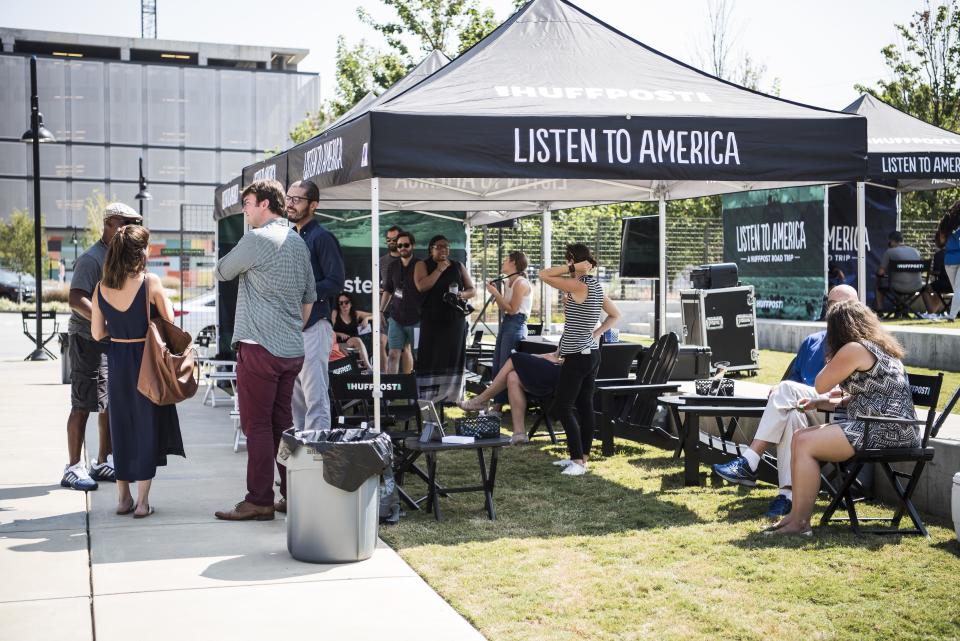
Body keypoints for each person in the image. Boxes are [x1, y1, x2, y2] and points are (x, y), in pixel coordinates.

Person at [766, 300, 917, 536]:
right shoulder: (880, 348)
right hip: (893, 427)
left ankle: (800, 522)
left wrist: (831, 358)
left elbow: (820, 383)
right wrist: (818, 404)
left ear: (838, 328)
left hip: (882, 429)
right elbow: (871, 396)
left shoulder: (854, 349)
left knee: (804, 442)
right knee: (800, 437)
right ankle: (796, 517)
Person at [213, 180, 316, 522]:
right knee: (282, 424)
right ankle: (292, 493)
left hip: (259, 348)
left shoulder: (256, 239)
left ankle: (259, 499)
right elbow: (308, 300)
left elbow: (222, 271)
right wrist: (290, 332)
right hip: (290, 349)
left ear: (264, 204)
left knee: (256, 426)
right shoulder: (299, 242)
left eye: (248, 202)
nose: (244, 209)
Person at [711, 284, 859, 517]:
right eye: (831, 305)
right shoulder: (812, 342)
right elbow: (791, 382)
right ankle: (787, 496)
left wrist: (789, 392)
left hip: (835, 414)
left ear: (856, 309)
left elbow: (846, 392)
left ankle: (750, 460)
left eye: (843, 306)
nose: (835, 311)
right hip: (804, 411)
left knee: (787, 390)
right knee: (791, 414)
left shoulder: (856, 346)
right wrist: (782, 392)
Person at [90, 225, 184, 518]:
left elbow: (96, 333)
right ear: (142, 252)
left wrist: (119, 330)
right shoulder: (150, 283)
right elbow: (169, 322)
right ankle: (142, 503)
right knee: (146, 427)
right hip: (147, 362)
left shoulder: (102, 286)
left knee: (121, 427)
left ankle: (122, 498)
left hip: (117, 360)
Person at [60, 203, 138, 491]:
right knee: (83, 404)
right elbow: (75, 297)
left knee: (108, 405)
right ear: (110, 223)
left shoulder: (119, 257)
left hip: (108, 341)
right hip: (85, 340)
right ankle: (72, 467)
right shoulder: (92, 259)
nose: (131, 227)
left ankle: (103, 460)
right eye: (126, 222)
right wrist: (104, 320)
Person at [538, 243, 620, 476]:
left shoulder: (578, 283)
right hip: (590, 353)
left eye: (568, 259)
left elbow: (543, 274)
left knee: (563, 407)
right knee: (584, 407)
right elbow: (616, 315)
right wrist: (594, 335)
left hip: (579, 356)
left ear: (573, 259)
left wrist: (571, 267)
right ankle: (582, 457)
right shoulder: (594, 285)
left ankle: (578, 461)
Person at [285, 179, 345, 434]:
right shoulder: (290, 236)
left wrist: (303, 292)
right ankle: (299, 463)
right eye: (289, 198)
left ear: (313, 206)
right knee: (294, 399)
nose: (290, 204)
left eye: (297, 200)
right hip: (291, 328)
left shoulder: (322, 237)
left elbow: (336, 281)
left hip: (315, 325)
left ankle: (318, 459)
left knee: (315, 398)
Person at [414, 235, 476, 403]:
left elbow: (472, 290)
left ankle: (452, 396)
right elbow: (422, 286)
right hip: (432, 319)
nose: (444, 249)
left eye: (446, 246)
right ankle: (429, 395)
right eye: (440, 246)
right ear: (431, 248)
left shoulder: (457, 265)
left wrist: (460, 295)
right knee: (431, 355)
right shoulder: (422, 264)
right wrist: (439, 269)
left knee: (452, 356)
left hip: (454, 320)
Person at [458, 350, 561, 445]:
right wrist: (539, 356)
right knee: (513, 376)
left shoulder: (575, 330)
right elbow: (557, 353)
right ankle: (519, 433)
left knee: (515, 358)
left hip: (567, 376)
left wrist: (559, 360)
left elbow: (573, 359)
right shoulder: (569, 330)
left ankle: (481, 400)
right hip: (555, 370)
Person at [485, 251, 532, 417]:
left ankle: (497, 407)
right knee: (497, 364)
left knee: (505, 365)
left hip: (516, 323)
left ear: (513, 263)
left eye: (506, 260)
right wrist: (497, 292)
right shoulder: (508, 282)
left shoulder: (521, 283)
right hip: (507, 323)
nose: (503, 262)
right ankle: (497, 405)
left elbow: (512, 309)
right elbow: (504, 307)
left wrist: (495, 293)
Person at [380, 231, 422, 374]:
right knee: (393, 354)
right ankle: (392, 391)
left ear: (413, 245)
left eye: (406, 245)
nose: (402, 248)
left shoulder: (420, 265)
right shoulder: (392, 266)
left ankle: (414, 390)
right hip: (396, 318)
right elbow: (388, 290)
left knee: (418, 355)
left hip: (417, 318)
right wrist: (380, 311)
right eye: (399, 245)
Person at [875, 230, 923, 312]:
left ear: (892, 241)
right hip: (917, 286)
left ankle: (880, 310)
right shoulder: (916, 251)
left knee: (878, 285)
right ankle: (903, 309)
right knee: (900, 281)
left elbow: (881, 272)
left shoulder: (889, 252)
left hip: (897, 287)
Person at [332, 291, 372, 370]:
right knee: (357, 340)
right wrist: (339, 334)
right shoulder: (335, 313)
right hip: (338, 345)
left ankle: (367, 368)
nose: (344, 305)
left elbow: (376, 315)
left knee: (357, 340)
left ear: (351, 303)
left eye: (346, 302)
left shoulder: (356, 314)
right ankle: (368, 367)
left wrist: (366, 318)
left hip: (353, 344)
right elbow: (328, 331)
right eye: (341, 303)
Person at [936, 201, 960, 321]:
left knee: (958, 290)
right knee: (959, 290)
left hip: (949, 259)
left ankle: (953, 314)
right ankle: (952, 316)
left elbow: (940, 242)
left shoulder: (947, 221)